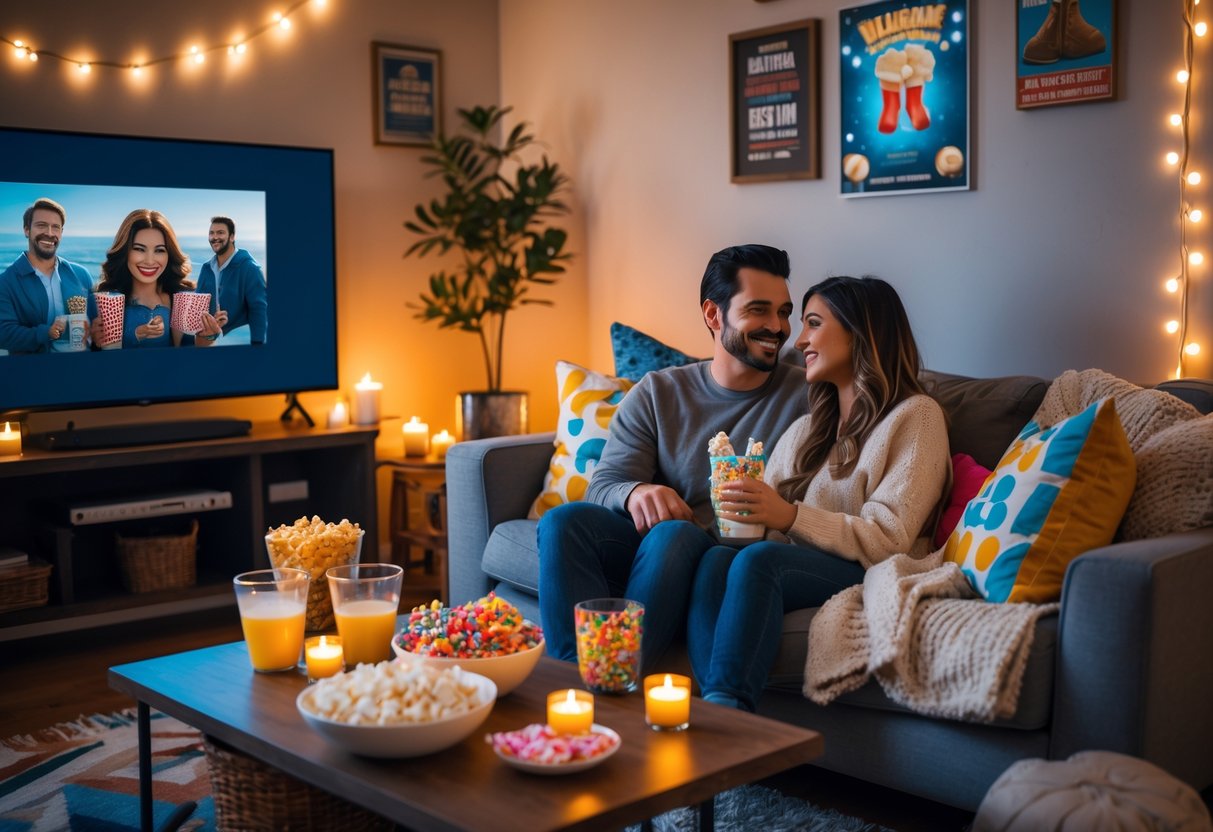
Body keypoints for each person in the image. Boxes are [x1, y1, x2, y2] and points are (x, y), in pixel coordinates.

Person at [537, 244, 810, 672]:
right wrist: (636, 492)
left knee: (673, 535)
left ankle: (609, 681)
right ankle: (571, 678)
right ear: (713, 315)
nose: (777, 327)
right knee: (562, 521)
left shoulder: (810, 395)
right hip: (652, 551)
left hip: (728, 557)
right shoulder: (659, 391)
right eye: (759, 310)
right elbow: (603, 485)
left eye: (784, 312)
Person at [687, 275, 950, 712]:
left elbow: (890, 538)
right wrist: (742, 516)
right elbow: (765, 535)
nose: (798, 340)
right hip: (794, 562)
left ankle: (728, 717)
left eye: (813, 323)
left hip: (871, 569)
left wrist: (789, 517)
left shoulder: (916, 417)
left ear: (860, 331)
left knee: (761, 561)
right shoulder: (805, 432)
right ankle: (709, 707)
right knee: (717, 558)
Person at [92, 209, 221, 348]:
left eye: (159, 250)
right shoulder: (105, 302)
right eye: (139, 249)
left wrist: (207, 338)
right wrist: (95, 344)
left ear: (169, 254)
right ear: (125, 251)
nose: (149, 261)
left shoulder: (182, 300)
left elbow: (188, 353)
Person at [0, 198, 97, 354]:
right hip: (33, 372)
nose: (50, 233)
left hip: (81, 367)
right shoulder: (5, 282)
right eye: (41, 225)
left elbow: (96, 323)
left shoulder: (81, 274)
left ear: (61, 233)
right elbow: (3, 333)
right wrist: (45, 333)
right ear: (26, 230)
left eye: (56, 227)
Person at [193, 216, 268, 345]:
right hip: (208, 340)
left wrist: (258, 345)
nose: (215, 237)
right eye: (211, 233)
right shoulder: (206, 268)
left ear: (232, 237)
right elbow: (198, 305)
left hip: (235, 340)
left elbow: (259, 310)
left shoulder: (249, 268)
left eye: (220, 232)